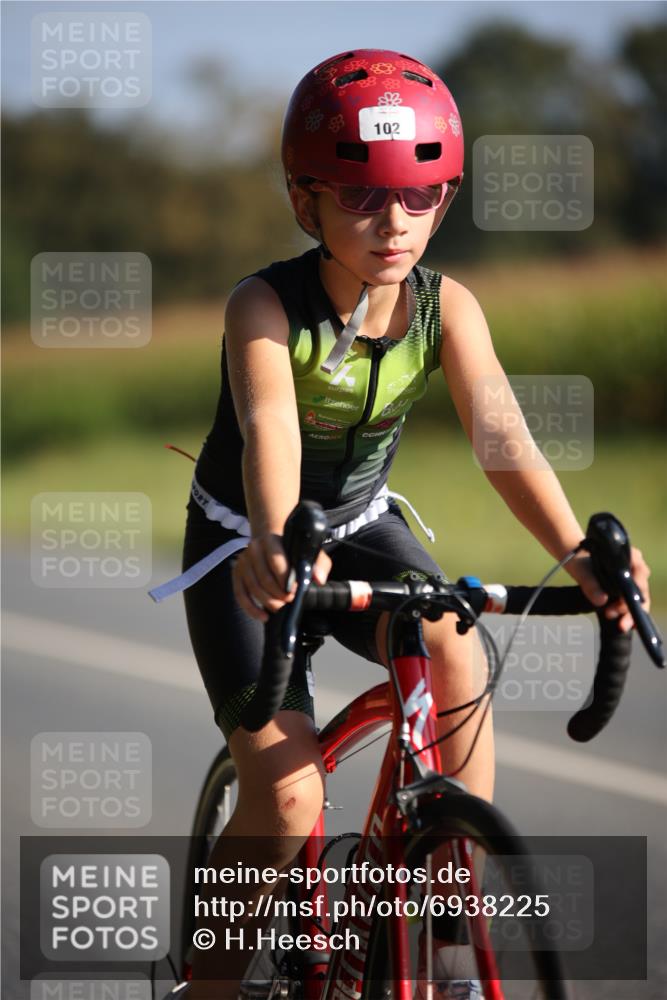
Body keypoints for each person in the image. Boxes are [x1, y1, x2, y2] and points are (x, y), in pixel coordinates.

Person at [157, 49, 651, 1000]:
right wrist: (268, 539)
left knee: (454, 645)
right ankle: (207, 986)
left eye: (420, 198)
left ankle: (441, 927)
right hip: (247, 543)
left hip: (363, 520)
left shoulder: (444, 307)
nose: (393, 224)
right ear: (306, 205)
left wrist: (575, 556)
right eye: (360, 197)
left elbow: (502, 440)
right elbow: (271, 435)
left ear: (444, 197)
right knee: (290, 793)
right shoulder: (263, 307)